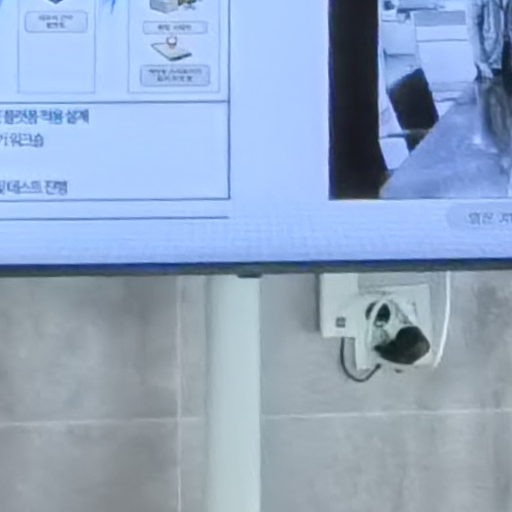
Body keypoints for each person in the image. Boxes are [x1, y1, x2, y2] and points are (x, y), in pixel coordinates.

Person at [468, 0, 512, 81]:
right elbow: (473, 29)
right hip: (490, 60)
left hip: (508, 56)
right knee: (489, 87)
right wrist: (482, 62)